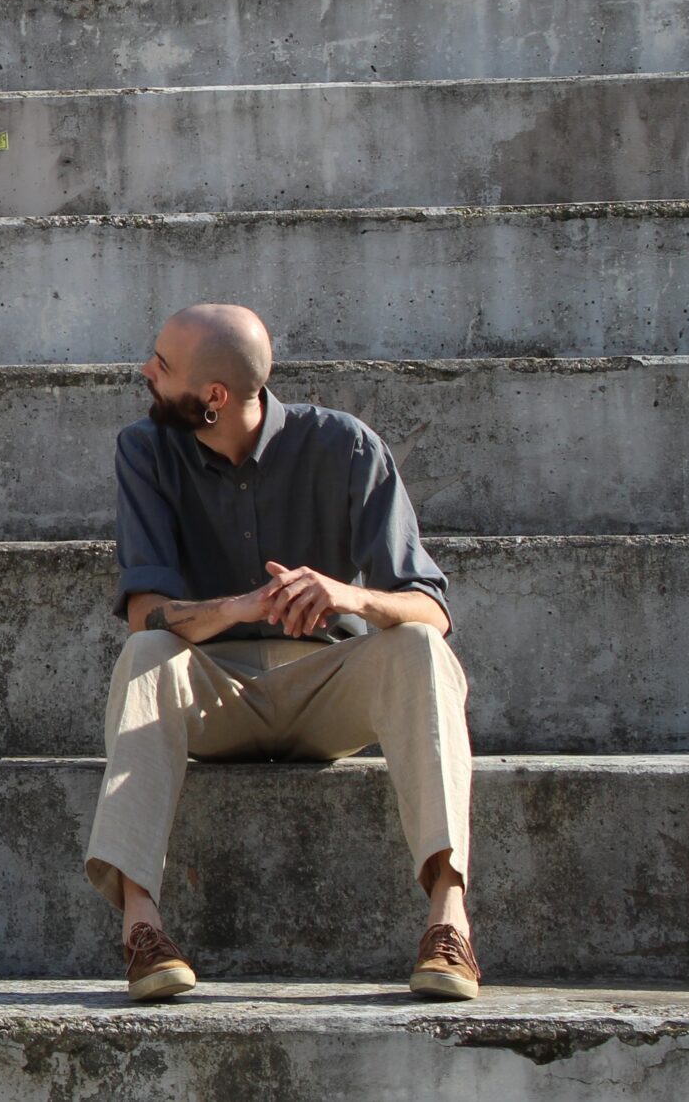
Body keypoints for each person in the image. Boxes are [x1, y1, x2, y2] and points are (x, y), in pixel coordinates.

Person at [86, 303, 479, 1002]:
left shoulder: (347, 447)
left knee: (420, 649)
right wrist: (242, 606)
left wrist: (348, 596)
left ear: (213, 400)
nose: (146, 373)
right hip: (217, 691)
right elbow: (149, 615)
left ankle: (449, 921)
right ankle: (142, 927)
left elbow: (431, 607)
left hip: (327, 688)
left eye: (163, 366)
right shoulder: (145, 450)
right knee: (146, 655)